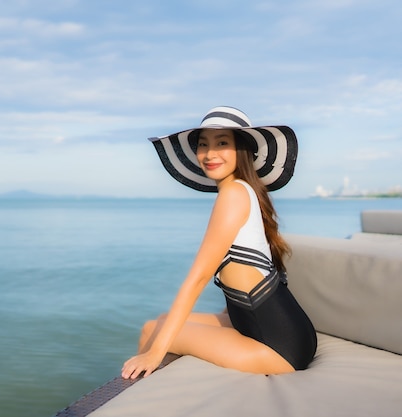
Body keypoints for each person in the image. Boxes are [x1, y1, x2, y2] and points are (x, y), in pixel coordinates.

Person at [121, 106, 317, 379]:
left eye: (222, 143)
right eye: (203, 144)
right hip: (282, 329)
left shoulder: (234, 194)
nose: (209, 153)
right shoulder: (246, 191)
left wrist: (153, 355)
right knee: (164, 321)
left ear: (241, 149)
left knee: (149, 331)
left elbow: (198, 278)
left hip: (279, 348)